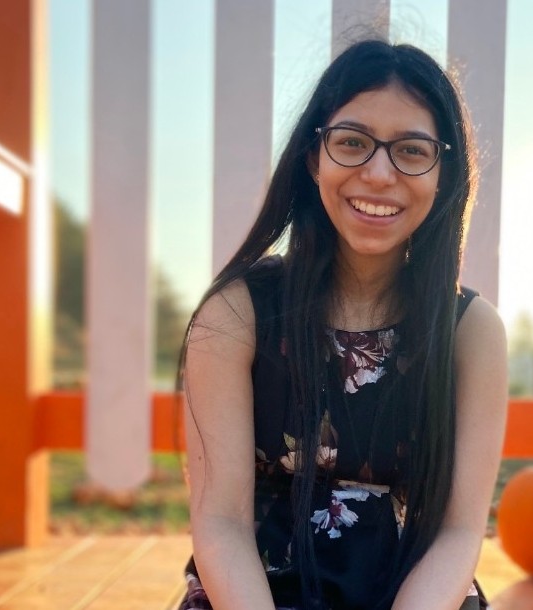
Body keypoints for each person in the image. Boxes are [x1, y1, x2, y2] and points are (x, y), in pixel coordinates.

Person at [178, 39, 508, 610]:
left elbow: (458, 534)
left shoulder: (471, 332)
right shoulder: (236, 314)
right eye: (352, 142)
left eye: (411, 150)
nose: (379, 174)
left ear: (444, 173)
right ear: (313, 158)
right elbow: (221, 523)